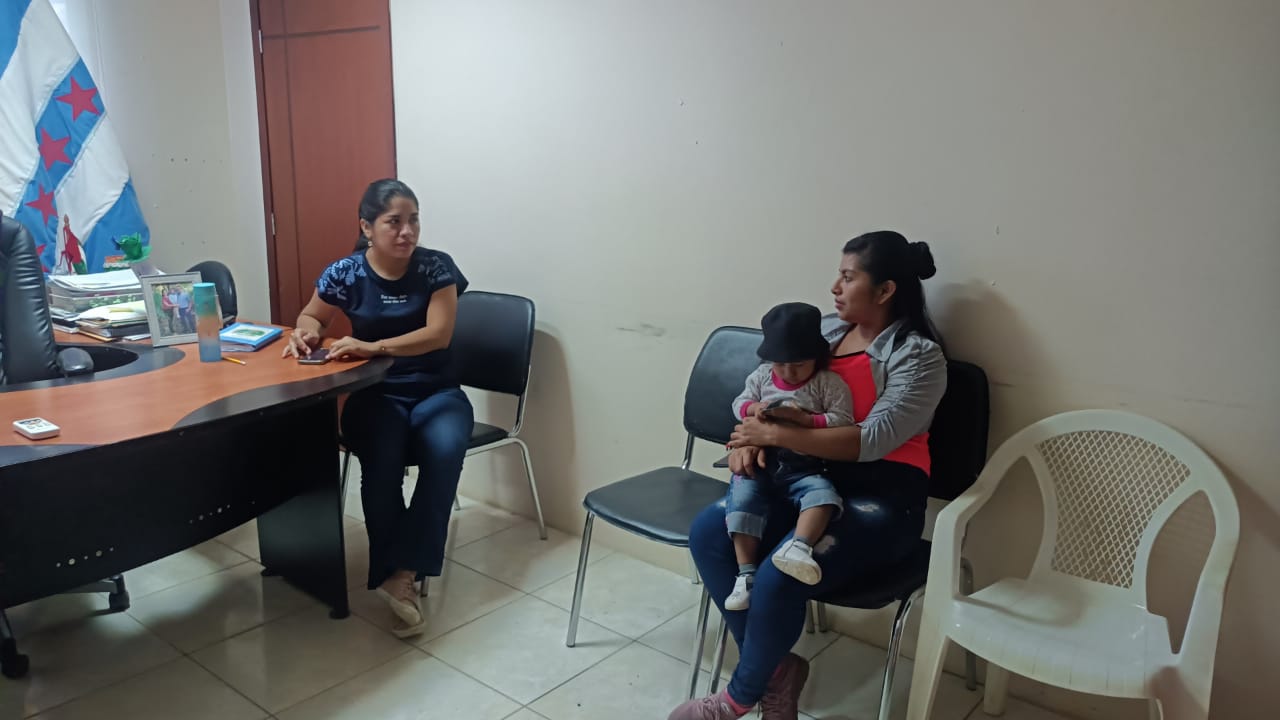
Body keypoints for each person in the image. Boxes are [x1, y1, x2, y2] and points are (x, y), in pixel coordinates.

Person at [668, 230, 947, 720]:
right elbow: (766, 394)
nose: (835, 288)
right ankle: (776, 673)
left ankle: (736, 700)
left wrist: (773, 435)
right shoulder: (825, 333)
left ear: (885, 290)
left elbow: (871, 439)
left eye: (848, 277)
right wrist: (750, 440)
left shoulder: (918, 356)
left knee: (782, 570)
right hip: (803, 477)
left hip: (881, 498)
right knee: (710, 532)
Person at [282, 178, 473, 638]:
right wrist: (306, 332)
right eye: (394, 222)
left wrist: (373, 346)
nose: (407, 231)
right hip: (375, 393)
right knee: (382, 461)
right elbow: (313, 314)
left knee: (445, 451)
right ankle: (393, 572)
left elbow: (439, 335)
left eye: (414, 220)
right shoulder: (345, 273)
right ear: (367, 227)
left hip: (437, 391)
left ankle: (402, 572)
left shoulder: (436, 268)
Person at [723, 302, 853, 612]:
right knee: (741, 501)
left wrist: (806, 420)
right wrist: (754, 409)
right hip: (761, 461)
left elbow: (843, 420)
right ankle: (746, 575)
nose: (788, 372)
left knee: (823, 497)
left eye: (798, 364)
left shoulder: (828, 384)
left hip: (806, 465)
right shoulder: (762, 377)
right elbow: (739, 403)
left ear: (816, 357)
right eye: (780, 364)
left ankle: (799, 547)